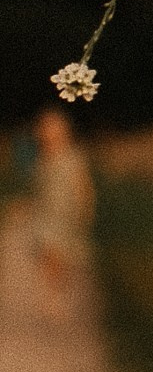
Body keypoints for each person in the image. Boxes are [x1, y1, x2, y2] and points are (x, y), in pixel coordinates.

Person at [28, 104, 95, 314]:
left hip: (66, 213)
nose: (49, 132)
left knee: (61, 256)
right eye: (46, 128)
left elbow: (83, 185)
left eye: (54, 128)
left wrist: (86, 208)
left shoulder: (72, 157)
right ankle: (51, 295)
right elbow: (38, 186)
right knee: (47, 252)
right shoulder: (42, 158)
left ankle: (57, 293)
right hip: (46, 213)